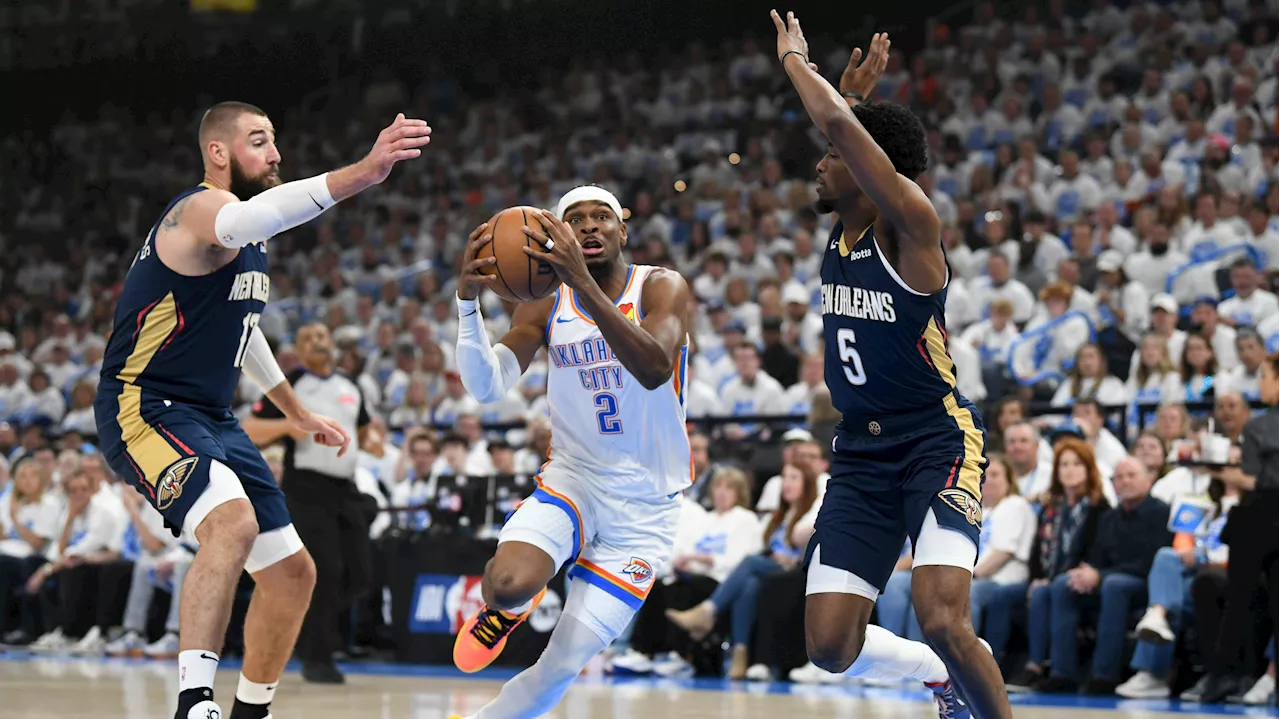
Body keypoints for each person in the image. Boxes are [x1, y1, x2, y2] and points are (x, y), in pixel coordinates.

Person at [92, 101, 430, 719]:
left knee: (293, 574)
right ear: (218, 152)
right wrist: (364, 171)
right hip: (144, 405)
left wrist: (294, 410)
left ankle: (252, 710)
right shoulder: (200, 211)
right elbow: (265, 211)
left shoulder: (251, 243)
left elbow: (244, 331)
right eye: (259, 141)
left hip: (211, 416)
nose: (275, 154)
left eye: (275, 141)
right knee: (232, 524)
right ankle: (194, 702)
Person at [772, 17, 1009, 718]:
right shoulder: (842, 226)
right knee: (828, 644)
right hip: (861, 452)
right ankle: (940, 677)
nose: (820, 162)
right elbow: (845, 137)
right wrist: (849, 101)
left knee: (941, 614)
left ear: (873, 165)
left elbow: (848, 136)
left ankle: (974, 685)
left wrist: (796, 65)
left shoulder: (910, 224)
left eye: (833, 153)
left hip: (934, 439)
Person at [446, 186, 693, 719]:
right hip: (575, 478)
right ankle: (510, 608)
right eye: (574, 219)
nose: (588, 227)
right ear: (555, 235)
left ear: (622, 230)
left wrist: (582, 283)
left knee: (560, 665)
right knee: (508, 585)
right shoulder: (545, 302)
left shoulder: (661, 286)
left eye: (601, 216)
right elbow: (487, 387)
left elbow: (653, 369)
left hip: (646, 506)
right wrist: (467, 306)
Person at [243, 321, 374, 684]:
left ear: (332, 342)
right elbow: (251, 429)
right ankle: (317, 658)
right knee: (326, 571)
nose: (317, 341)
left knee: (360, 574)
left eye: (322, 335)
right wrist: (289, 425)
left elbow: (365, 431)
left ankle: (307, 626)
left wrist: (373, 439)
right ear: (298, 351)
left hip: (346, 488)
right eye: (308, 338)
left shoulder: (352, 386)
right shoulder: (292, 385)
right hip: (306, 489)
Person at [666, 462, 820, 678]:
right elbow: (764, 548)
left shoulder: (810, 512)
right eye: (785, 478)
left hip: (794, 569)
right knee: (749, 584)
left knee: (749, 562)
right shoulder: (775, 516)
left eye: (794, 478)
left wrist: (789, 557)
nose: (787, 484)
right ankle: (741, 653)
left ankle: (708, 611)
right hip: (770, 568)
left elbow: (806, 546)